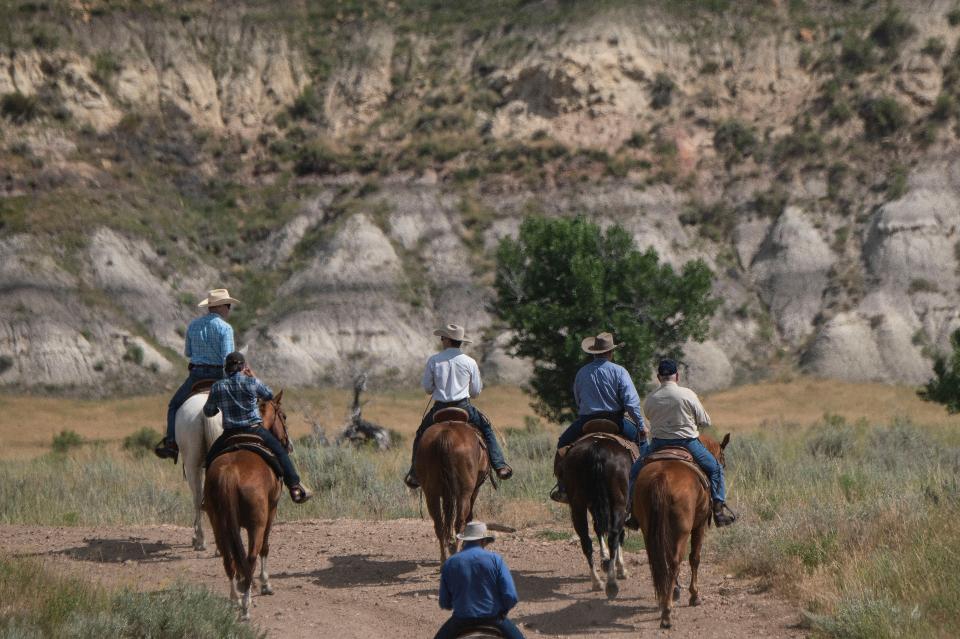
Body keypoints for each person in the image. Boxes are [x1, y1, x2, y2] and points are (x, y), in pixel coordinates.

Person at [627, 358, 735, 527]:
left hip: (658, 444)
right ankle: (719, 512)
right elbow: (706, 420)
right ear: (676, 376)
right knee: (716, 469)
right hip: (687, 443)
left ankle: (632, 513)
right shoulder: (688, 394)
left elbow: (648, 416)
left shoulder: (651, 398)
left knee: (634, 472)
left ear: (658, 377)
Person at [404, 324, 512, 489]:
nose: (441, 340)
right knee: (487, 429)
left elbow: (427, 388)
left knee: (420, 434)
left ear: (447, 340)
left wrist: (439, 387)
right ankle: (500, 466)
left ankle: (414, 472)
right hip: (464, 408)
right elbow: (475, 392)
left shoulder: (434, 360)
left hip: (439, 408)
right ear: (459, 341)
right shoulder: (470, 362)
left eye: (442, 337)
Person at [202, 351, 313, 503]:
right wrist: (253, 376)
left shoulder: (218, 387)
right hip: (254, 430)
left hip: (229, 434)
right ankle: (295, 486)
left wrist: (215, 408)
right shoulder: (251, 383)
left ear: (226, 369)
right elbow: (268, 396)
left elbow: (208, 411)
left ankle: (206, 495)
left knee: (210, 460)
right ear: (243, 367)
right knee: (280, 452)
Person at [549, 331, 647, 504]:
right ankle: (643, 483)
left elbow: (578, 399)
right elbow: (631, 403)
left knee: (562, 443)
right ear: (611, 352)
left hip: (587, 421)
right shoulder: (619, 371)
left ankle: (562, 487)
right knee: (643, 442)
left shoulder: (582, 372)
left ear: (594, 352)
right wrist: (640, 425)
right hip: (616, 421)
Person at [155, 288, 238, 462]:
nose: (229, 309)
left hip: (197, 375)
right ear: (221, 306)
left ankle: (171, 443)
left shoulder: (193, 325)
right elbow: (228, 359)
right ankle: (242, 440)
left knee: (174, 405)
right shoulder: (226, 328)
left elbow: (188, 352)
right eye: (228, 305)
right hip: (219, 375)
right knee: (240, 402)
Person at [435, 521, 524, 639]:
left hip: (461, 621)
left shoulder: (450, 563)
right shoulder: (496, 560)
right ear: (483, 541)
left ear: (465, 540)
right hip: (493, 619)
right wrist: (502, 612)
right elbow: (511, 596)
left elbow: (444, 602)